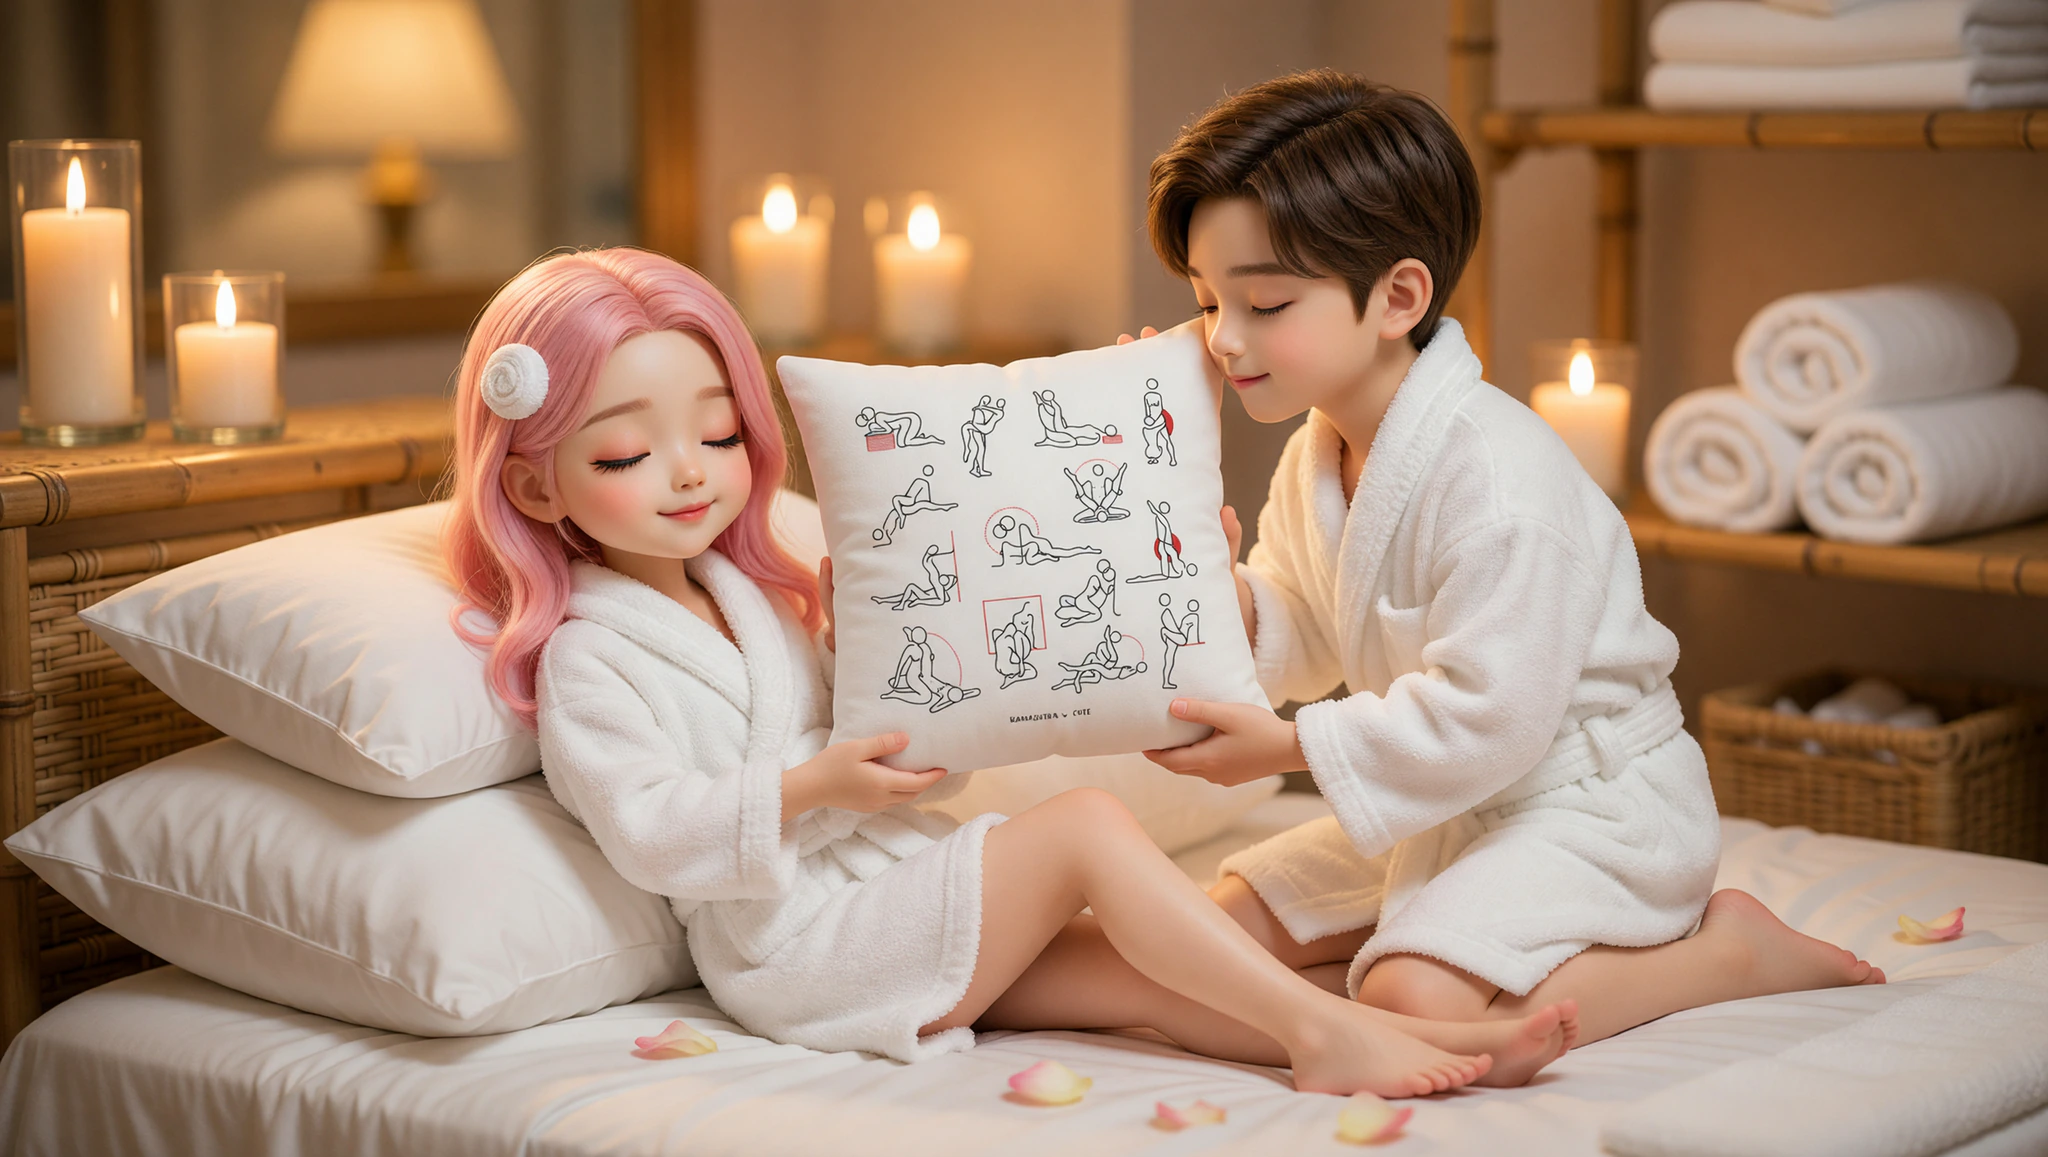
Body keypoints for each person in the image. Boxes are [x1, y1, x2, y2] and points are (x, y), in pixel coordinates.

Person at [442, 247, 1577, 1096]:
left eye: (721, 435)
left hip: (882, 884)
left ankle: (1409, 1038)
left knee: (1140, 979)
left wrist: (856, 656)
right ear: (535, 487)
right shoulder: (591, 654)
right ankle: (1325, 1032)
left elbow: (877, 741)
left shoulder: (746, 596)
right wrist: (811, 788)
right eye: (628, 453)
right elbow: (649, 829)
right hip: (793, 945)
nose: (689, 476)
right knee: (1082, 826)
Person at [1121, 71, 1881, 1047]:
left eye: (1262, 302)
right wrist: (1180, 541)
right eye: (1204, 299)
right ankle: (1436, 925)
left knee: (1408, 1003)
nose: (1223, 338)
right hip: (1448, 802)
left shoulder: (1498, 476)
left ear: (1397, 295)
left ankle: (1727, 953)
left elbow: (1492, 714)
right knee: (1219, 925)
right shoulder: (1321, 450)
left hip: (1587, 805)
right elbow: (1300, 630)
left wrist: (1287, 749)